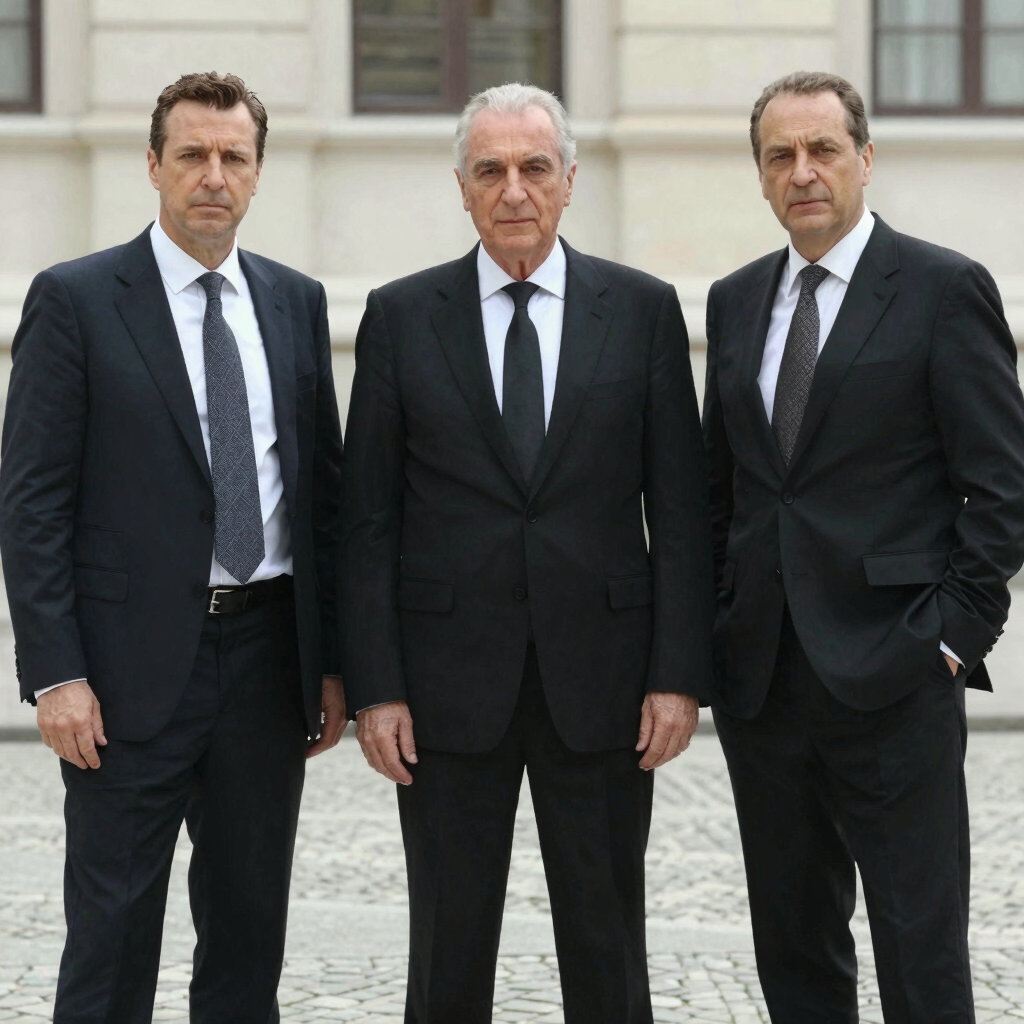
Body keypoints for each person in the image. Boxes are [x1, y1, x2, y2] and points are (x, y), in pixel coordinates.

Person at [340, 83, 714, 1023]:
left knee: (607, 942)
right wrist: (376, 686)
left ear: (570, 181)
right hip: (442, 690)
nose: (515, 190)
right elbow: (367, 521)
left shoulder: (641, 311)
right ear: (462, 188)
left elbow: (679, 511)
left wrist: (678, 675)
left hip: (606, 685)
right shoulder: (398, 316)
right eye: (492, 171)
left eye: (535, 168)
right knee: (448, 946)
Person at [0, 72, 345, 1023]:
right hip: (122, 676)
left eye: (233, 156)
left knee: (246, 939)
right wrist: (56, 672)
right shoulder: (75, 300)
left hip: (268, 661)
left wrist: (330, 663)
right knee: (111, 939)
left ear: (258, 173)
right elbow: (29, 504)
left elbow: (320, 498)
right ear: (153, 165)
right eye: (191, 154)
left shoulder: (294, 303)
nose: (212, 175)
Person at [703, 70, 1024, 1023]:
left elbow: (1001, 487)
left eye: (823, 150)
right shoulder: (733, 301)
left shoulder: (941, 288)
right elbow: (721, 488)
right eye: (780, 155)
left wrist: (952, 637)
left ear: (865, 159)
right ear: (761, 176)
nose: (803, 172)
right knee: (793, 950)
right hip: (764, 683)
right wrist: (720, 626)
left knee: (920, 955)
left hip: (897, 676)